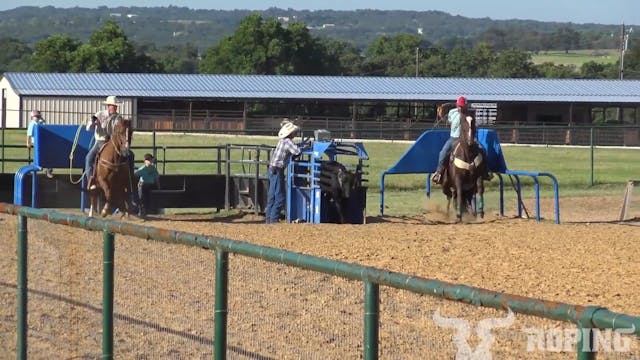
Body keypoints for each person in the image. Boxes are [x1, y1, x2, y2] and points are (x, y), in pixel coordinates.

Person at [265, 120, 302, 224]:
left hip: (272, 169)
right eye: (294, 132)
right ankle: (273, 220)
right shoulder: (288, 142)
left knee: (272, 195)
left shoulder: (282, 141)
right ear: (291, 134)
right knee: (280, 197)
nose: (295, 134)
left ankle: (269, 219)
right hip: (277, 170)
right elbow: (297, 151)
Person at [85, 95, 124, 190]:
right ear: (108, 106)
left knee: (129, 155)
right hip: (100, 141)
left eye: (115, 106)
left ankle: (128, 180)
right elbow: (88, 128)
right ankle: (91, 179)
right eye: (113, 105)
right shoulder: (99, 114)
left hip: (113, 142)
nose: (115, 107)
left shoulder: (118, 117)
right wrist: (93, 123)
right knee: (89, 158)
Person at [432, 96, 467, 185]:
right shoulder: (452, 112)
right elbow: (447, 121)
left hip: (466, 139)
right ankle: (439, 172)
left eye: (462, 106)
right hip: (454, 138)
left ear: (465, 106)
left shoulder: (469, 114)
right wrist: (441, 115)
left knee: (481, 149)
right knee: (443, 153)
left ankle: (485, 171)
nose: (460, 108)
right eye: (459, 106)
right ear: (457, 105)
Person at [26, 110, 54, 178]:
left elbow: (44, 124)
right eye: (36, 116)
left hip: (42, 142)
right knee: (40, 156)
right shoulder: (32, 124)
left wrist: (42, 120)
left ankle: (48, 169)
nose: (38, 118)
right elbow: (28, 135)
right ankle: (41, 168)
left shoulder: (39, 123)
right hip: (37, 143)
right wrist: (28, 143)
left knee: (48, 155)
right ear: (32, 117)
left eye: (39, 116)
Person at [134, 153, 160, 218]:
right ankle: (141, 211)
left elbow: (156, 177)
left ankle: (144, 211)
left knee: (146, 198)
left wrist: (158, 184)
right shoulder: (143, 169)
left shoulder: (152, 168)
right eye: (149, 160)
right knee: (142, 197)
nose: (150, 161)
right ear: (145, 161)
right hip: (143, 185)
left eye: (151, 160)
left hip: (149, 185)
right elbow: (135, 175)